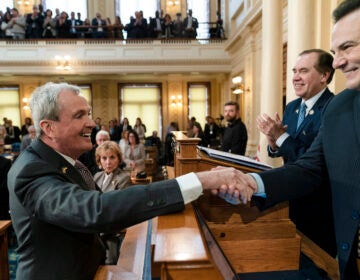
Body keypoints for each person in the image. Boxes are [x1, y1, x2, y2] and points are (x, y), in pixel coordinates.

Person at [7, 82, 243, 279]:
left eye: (88, 113)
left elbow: (107, 203)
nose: (91, 123)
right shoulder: (32, 170)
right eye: (79, 116)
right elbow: (96, 210)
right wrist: (197, 181)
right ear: (48, 128)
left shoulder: (67, 161)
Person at [220, 1, 360, 278]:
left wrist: (281, 137)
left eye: (348, 47)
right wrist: (250, 182)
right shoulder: (342, 107)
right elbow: (309, 167)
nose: (339, 61)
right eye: (335, 51)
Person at [257, 49, 336, 256]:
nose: (295, 78)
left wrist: (281, 138)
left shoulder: (332, 108)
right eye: (294, 71)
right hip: (291, 201)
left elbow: (314, 160)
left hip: (318, 207)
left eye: (303, 71)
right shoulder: (291, 107)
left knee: (318, 264)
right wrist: (273, 144)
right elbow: (288, 150)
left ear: (324, 75)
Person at [94, 141, 131, 264]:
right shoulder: (97, 176)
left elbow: (119, 208)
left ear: (118, 159)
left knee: (110, 267)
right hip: (95, 231)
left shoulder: (123, 178)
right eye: (104, 158)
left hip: (112, 233)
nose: (108, 162)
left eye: (112, 157)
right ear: (99, 161)